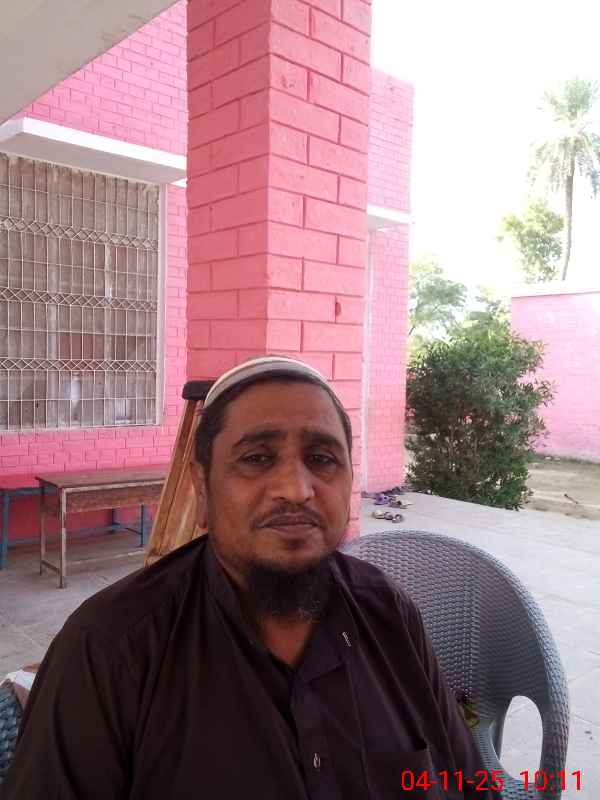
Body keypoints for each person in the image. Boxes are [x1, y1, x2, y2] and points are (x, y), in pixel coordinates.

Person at [4, 356, 493, 799]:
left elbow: (470, 785)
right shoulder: (111, 651)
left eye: (322, 459)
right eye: (257, 458)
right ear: (202, 487)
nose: (296, 489)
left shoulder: (388, 613)